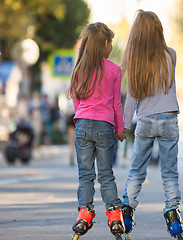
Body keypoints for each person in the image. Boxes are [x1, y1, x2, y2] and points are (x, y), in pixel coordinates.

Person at [121, 10, 183, 239]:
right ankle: (173, 215)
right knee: (169, 172)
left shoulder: (135, 61)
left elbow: (131, 98)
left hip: (145, 121)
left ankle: (127, 210)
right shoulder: (171, 55)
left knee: (137, 170)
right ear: (159, 30)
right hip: (169, 119)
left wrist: (123, 126)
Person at [66, 22, 126, 239]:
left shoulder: (79, 68)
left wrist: (80, 118)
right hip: (104, 126)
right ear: (105, 45)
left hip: (82, 124)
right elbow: (116, 105)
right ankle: (114, 216)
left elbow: (76, 99)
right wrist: (120, 130)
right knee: (106, 174)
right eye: (110, 42)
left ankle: (84, 214)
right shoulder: (114, 69)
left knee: (85, 175)